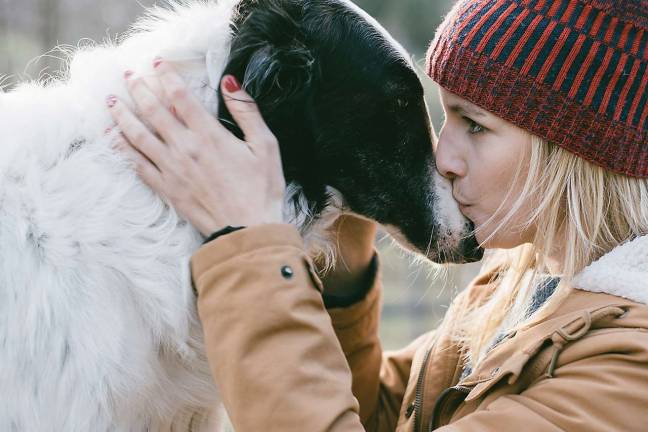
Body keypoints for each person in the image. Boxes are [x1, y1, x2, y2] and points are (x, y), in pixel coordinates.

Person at [107, 0, 648, 430]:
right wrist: (342, 263)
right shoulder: (525, 293)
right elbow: (384, 417)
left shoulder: (628, 373)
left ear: (577, 151)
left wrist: (248, 244)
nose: (443, 157)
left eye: (474, 125)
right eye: (444, 115)